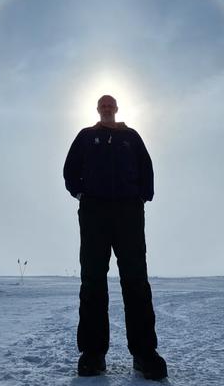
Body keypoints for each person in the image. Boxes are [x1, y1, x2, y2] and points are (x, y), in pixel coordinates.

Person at [63, 94, 167, 380]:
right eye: (103, 105)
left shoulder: (131, 136)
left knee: (135, 280)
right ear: (97, 109)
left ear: (116, 109)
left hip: (128, 212)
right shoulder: (86, 136)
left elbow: (146, 168)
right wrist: (80, 191)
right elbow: (70, 169)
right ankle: (93, 354)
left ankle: (145, 354)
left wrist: (142, 196)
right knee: (93, 280)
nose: (107, 108)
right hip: (94, 211)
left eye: (111, 105)